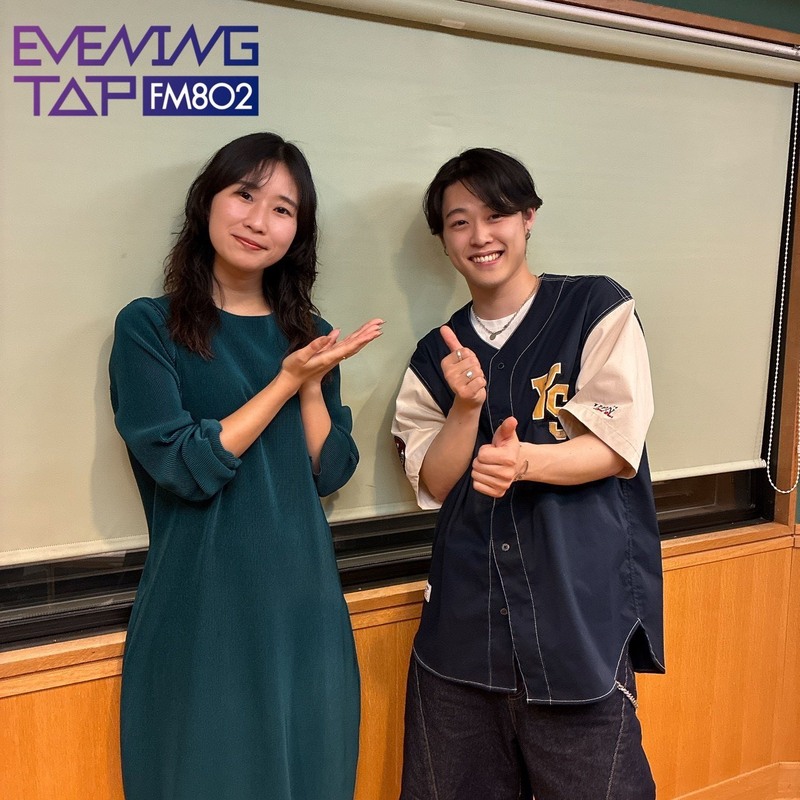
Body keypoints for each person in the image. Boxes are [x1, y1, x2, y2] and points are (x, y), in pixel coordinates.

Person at [109, 132, 382, 800]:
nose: (260, 221)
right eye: (245, 195)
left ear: (298, 232)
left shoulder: (309, 332)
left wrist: (310, 382)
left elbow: (329, 472)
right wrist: (286, 381)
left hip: (305, 607)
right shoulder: (149, 327)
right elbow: (185, 465)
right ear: (207, 201)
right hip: (203, 606)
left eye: (283, 209)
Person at [392, 147, 664, 800]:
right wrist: (465, 409)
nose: (480, 236)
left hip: (578, 624)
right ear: (443, 241)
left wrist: (524, 461)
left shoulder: (596, 307)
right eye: (459, 222)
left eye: (497, 215)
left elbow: (616, 445)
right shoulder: (435, 354)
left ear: (528, 217)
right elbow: (434, 482)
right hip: (463, 633)